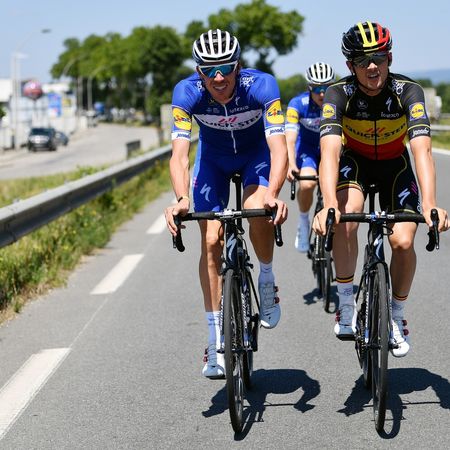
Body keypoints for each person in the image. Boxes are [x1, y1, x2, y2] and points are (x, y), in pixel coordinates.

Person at [313, 21, 449, 357]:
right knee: (345, 218)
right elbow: (329, 151)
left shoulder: (408, 91)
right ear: (350, 66)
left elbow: (421, 150)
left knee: (402, 241)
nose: (372, 67)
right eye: (363, 61)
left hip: (394, 166)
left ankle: (397, 315)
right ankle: (346, 303)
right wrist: (328, 203)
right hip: (355, 163)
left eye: (379, 58)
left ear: (390, 58)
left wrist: (431, 203)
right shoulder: (338, 94)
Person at [164, 29, 288, 378]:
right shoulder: (186, 92)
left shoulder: (261, 86)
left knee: (258, 211)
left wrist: (274, 192)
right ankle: (214, 337)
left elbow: (279, 148)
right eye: (209, 70)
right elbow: (179, 156)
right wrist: (182, 198)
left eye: (226, 68)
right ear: (198, 71)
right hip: (213, 162)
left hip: (255, 156)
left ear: (238, 66)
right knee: (211, 241)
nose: (218, 78)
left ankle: (266, 279)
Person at [285, 62, 335, 252]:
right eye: (316, 89)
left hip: (330, 148)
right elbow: (290, 138)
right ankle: (303, 221)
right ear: (309, 88)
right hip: (307, 149)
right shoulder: (297, 104)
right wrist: (291, 163)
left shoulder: (339, 102)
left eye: (326, 88)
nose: (322, 94)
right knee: (307, 184)